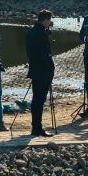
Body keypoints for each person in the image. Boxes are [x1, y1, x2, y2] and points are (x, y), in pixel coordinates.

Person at [25, 9, 55, 137]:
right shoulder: (42, 33)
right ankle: (37, 128)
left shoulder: (30, 32)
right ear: (46, 20)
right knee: (39, 100)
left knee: (35, 99)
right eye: (50, 20)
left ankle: (35, 126)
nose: (50, 23)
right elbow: (45, 54)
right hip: (43, 71)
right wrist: (51, 68)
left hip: (34, 69)